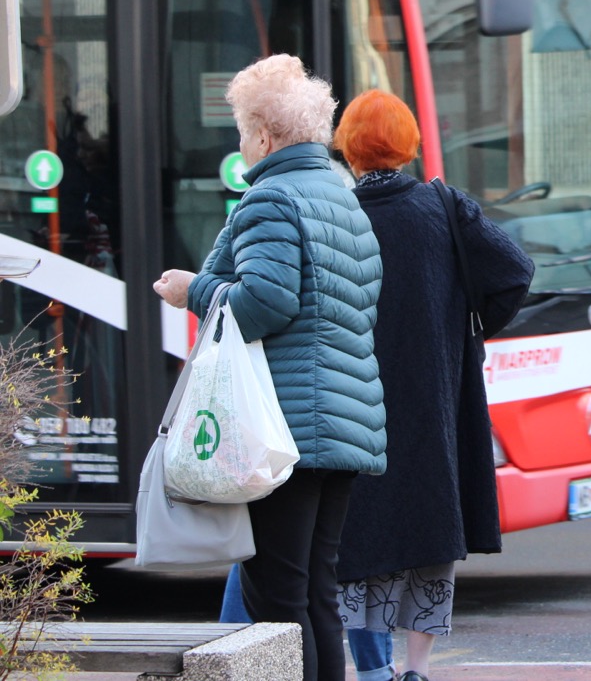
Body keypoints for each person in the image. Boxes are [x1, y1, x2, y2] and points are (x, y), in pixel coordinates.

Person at [153, 54, 385, 681]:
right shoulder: (344, 200)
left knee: (277, 601)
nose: (241, 141)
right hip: (342, 426)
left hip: (284, 427)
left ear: (263, 134)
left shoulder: (270, 200)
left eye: (240, 128)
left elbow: (264, 303)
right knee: (315, 592)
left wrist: (192, 289)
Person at [330, 90, 535, 681]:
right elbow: (515, 272)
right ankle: (417, 668)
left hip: (358, 395)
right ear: (409, 143)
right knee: (430, 529)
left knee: (362, 535)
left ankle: (371, 667)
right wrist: (467, 329)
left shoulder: (340, 214)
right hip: (436, 392)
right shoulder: (442, 206)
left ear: (348, 147)